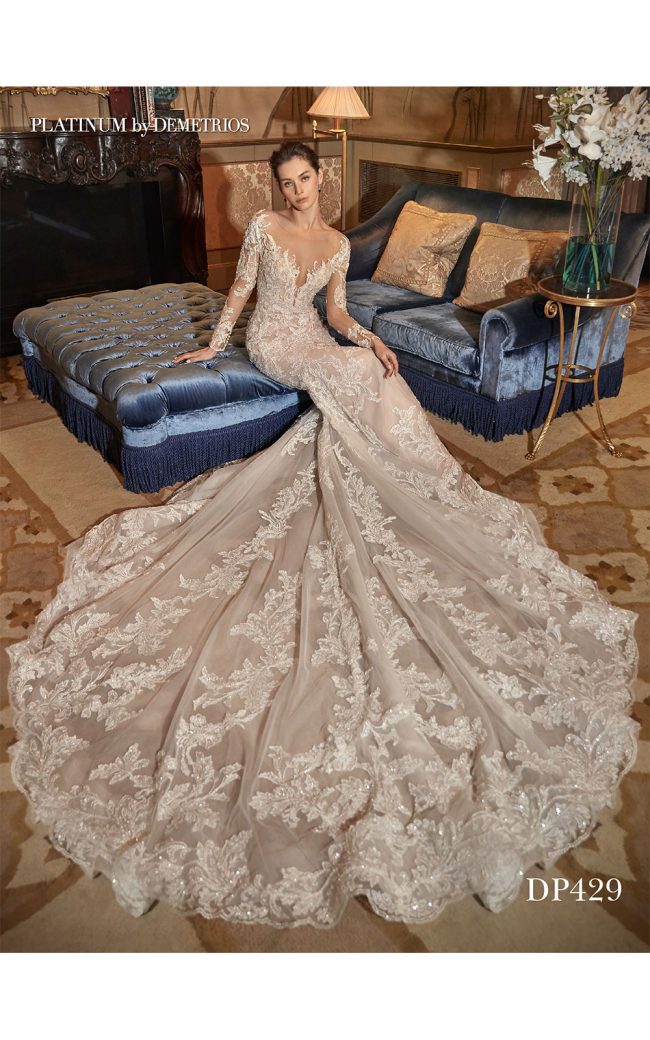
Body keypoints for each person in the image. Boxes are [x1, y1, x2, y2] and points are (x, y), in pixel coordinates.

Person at [6, 141, 640, 929]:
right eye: (286, 181)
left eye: (305, 179)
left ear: (320, 180)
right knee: (352, 380)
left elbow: (336, 313)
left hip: (316, 336)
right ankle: (418, 476)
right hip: (276, 344)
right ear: (275, 187)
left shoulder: (338, 244)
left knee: (369, 370)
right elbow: (243, 291)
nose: (296, 191)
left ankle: (413, 480)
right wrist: (216, 344)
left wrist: (368, 337)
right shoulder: (266, 229)